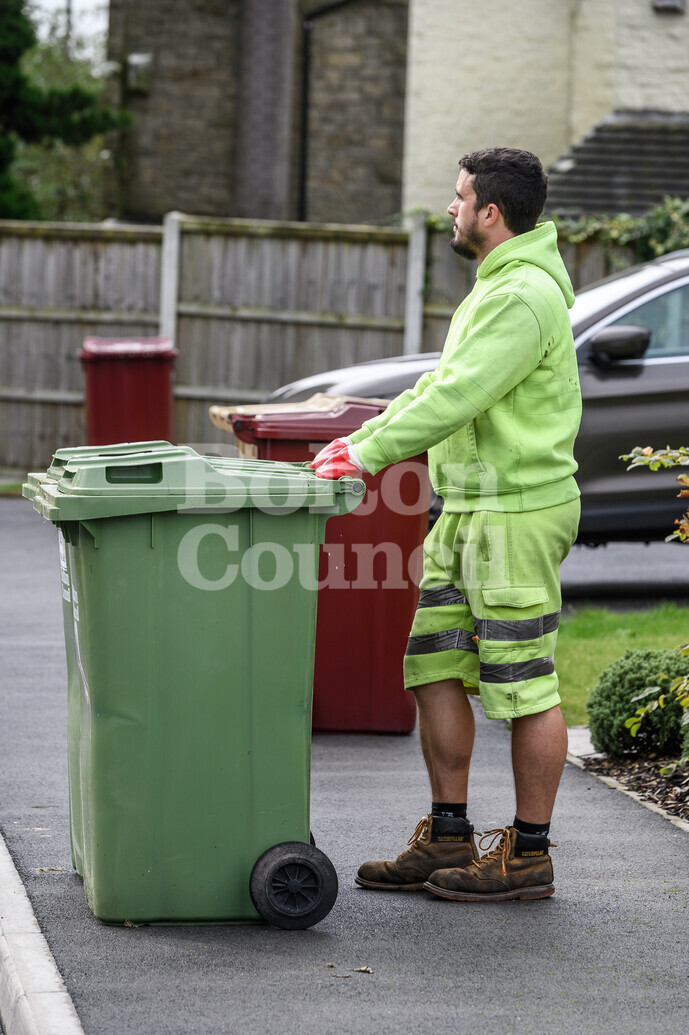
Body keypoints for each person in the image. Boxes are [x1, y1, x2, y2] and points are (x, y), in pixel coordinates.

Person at [310, 147, 582, 902]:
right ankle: (450, 832)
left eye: (459, 198)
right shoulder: (493, 287)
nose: (450, 208)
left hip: (517, 510)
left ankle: (528, 854)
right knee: (431, 665)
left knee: (524, 683)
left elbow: (459, 394)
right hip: (466, 509)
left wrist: (367, 454)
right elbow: (437, 384)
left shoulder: (523, 296)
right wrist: (356, 438)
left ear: (489, 212)